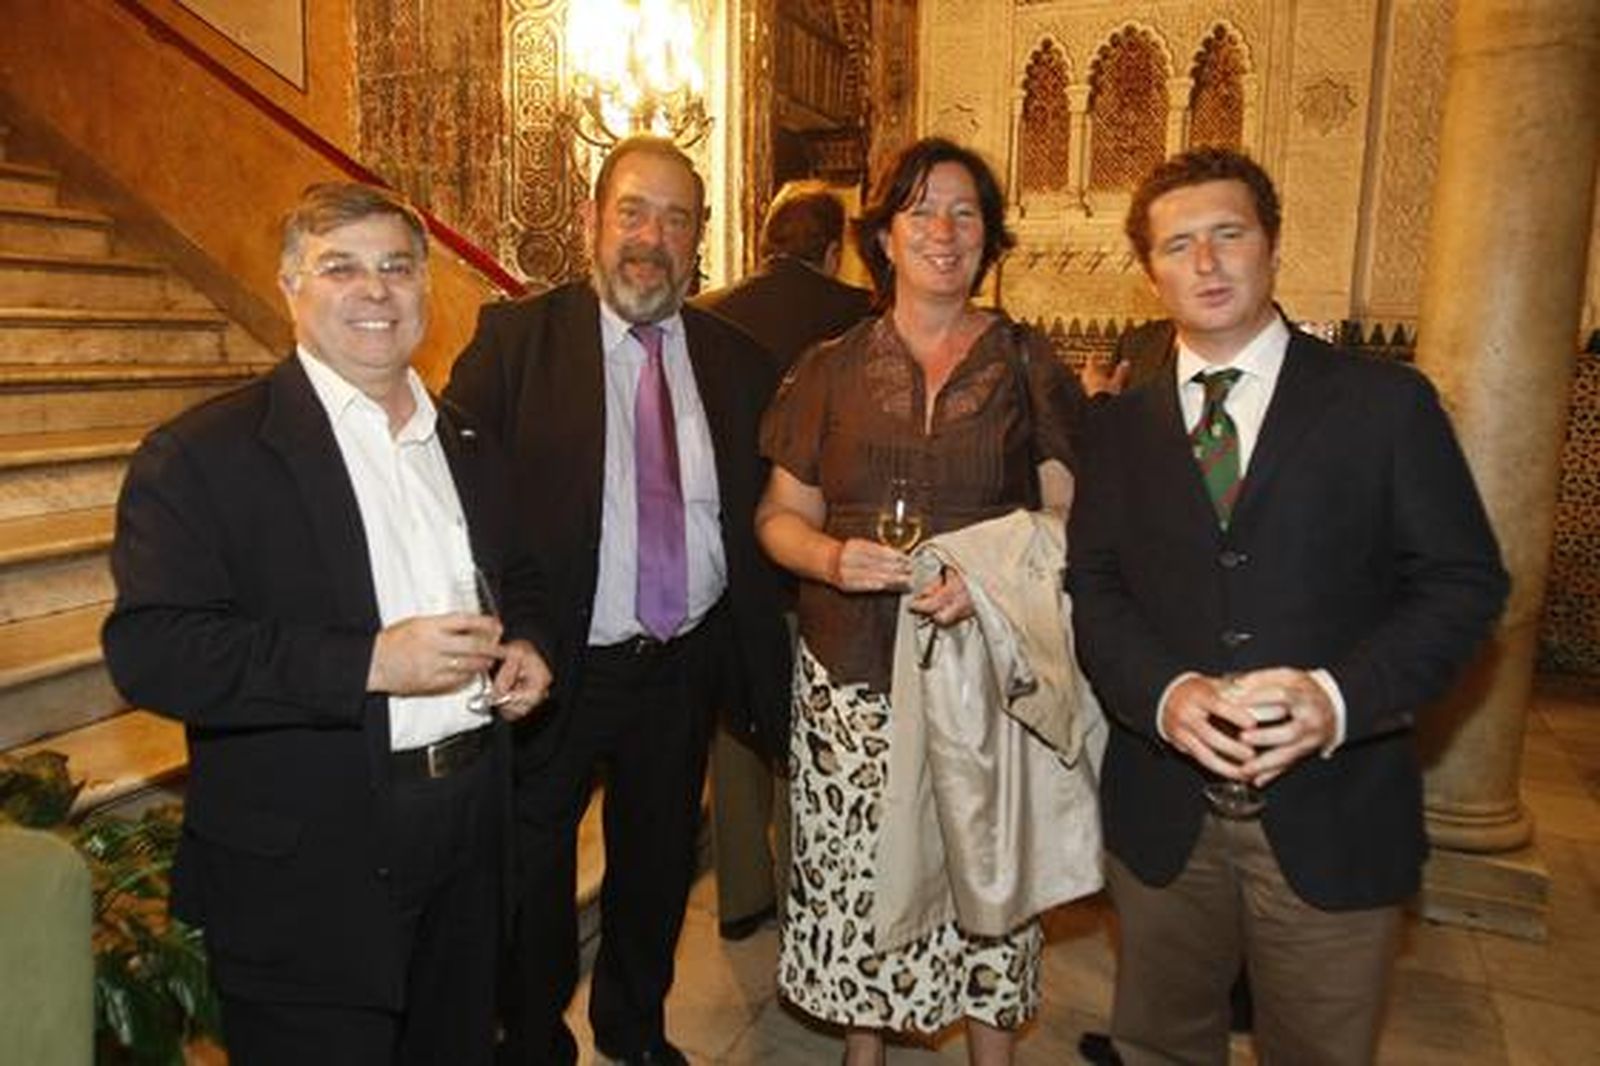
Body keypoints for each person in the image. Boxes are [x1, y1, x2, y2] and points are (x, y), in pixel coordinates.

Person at [1067, 147, 1509, 1065]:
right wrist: (1163, 694)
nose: (1206, 262)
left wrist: (1337, 699)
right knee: (1158, 1044)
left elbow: (1463, 583)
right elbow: (1096, 588)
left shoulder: (1384, 405)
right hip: (1164, 812)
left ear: (1271, 245)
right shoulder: (1117, 430)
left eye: (1228, 234)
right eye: (1178, 245)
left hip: (1335, 811)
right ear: (1151, 271)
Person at [101, 181, 553, 1065]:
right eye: (340, 267)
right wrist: (369, 664)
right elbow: (153, 651)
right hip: (309, 866)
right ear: (289, 287)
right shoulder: (202, 455)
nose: (374, 290)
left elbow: (523, 578)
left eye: (397, 267)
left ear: (426, 287)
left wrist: (530, 644)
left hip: (469, 835)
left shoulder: (468, 443)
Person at [445, 135, 792, 1066]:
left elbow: (768, 508)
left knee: (658, 867)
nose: (651, 239)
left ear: (699, 239)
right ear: (592, 220)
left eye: (676, 220)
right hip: (554, 665)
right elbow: (454, 495)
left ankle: (634, 1032)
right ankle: (532, 1040)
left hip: (683, 667)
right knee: (534, 877)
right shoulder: (516, 343)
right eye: (632, 212)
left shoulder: (739, 362)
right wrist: (503, 629)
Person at [756, 137, 1087, 1066]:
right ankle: (864, 1050)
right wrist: (830, 558)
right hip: (853, 676)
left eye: (964, 212)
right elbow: (778, 518)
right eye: (920, 211)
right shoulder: (828, 367)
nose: (943, 230)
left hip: (985, 675)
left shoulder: (1026, 362)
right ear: (884, 238)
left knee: (988, 874)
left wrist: (989, 581)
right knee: (863, 879)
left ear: (988, 238)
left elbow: (1067, 514)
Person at [693, 179, 873, 941]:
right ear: (834, 250)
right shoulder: (866, 316)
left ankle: (741, 898)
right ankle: (808, 896)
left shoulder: (704, 313)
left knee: (735, 731)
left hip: (727, 566)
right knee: (811, 737)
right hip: (823, 561)